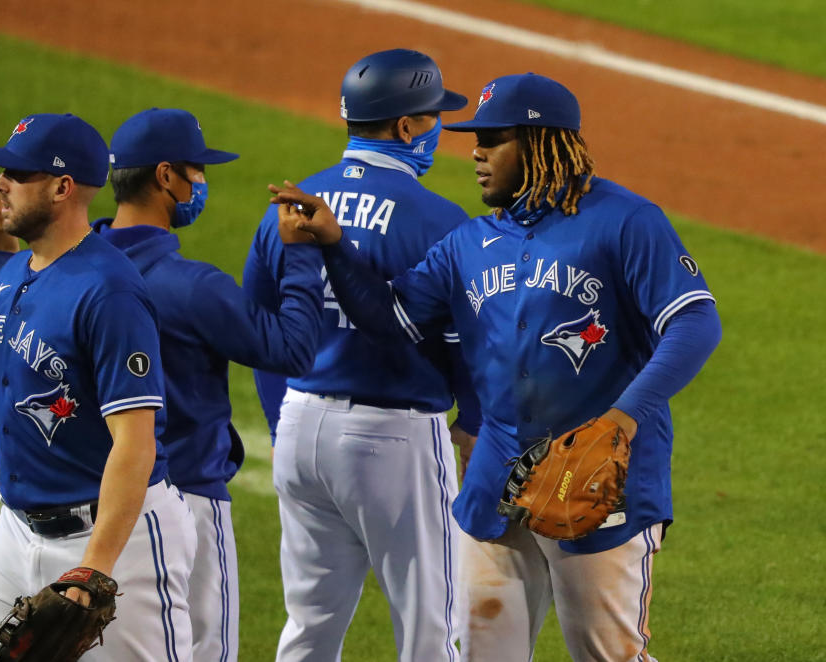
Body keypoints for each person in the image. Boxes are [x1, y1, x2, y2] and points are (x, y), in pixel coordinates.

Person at [269, 72, 723, 662]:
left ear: (540, 144)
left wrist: (624, 419)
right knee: (486, 650)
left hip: (595, 479)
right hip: (495, 481)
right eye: (475, 139)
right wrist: (335, 244)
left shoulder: (626, 222)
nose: (476, 152)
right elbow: (394, 316)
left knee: (605, 653)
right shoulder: (470, 242)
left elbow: (694, 323)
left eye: (493, 139)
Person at [0, 112, 196, 661]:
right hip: (15, 532)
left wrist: (95, 568)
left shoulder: (109, 291)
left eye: (17, 174)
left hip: (111, 540)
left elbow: (135, 442)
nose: (0, 184)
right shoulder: (13, 274)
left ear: (62, 187)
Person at [243, 49, 481, 662]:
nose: (435, 131)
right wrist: (474, 420)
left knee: (310, 628)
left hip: (300, 431)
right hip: (394, 440)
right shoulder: (439, 220)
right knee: (433, 629)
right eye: (431, 117)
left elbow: (258, 330)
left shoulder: (289, 208)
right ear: (406, 127)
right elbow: (465, 342)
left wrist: (279, 421)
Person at [93, 107, 324, 662]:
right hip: (189, 502)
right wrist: (299, 254)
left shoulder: (73, 273)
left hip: (97, 505)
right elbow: (292, 348)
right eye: (196, 171)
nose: (202, 183)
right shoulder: (191, 286)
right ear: (166, 176)